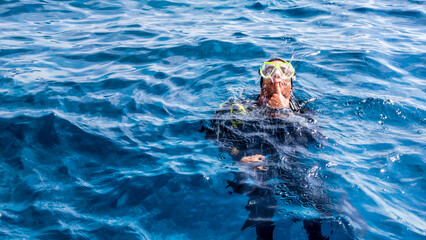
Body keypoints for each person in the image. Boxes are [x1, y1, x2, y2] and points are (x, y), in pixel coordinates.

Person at [204, 58, 365, 239]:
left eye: (284, 72)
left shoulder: (303, 111)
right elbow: (212, 133)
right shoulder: (241, 108)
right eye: (270, 71)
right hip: (257, 163)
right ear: (261, 82)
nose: (277, 77)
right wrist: (239, 156)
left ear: (291, 86)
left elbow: (319, 141)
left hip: (293, 164)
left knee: (317, 202)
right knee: (262, 200)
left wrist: (285, 114)